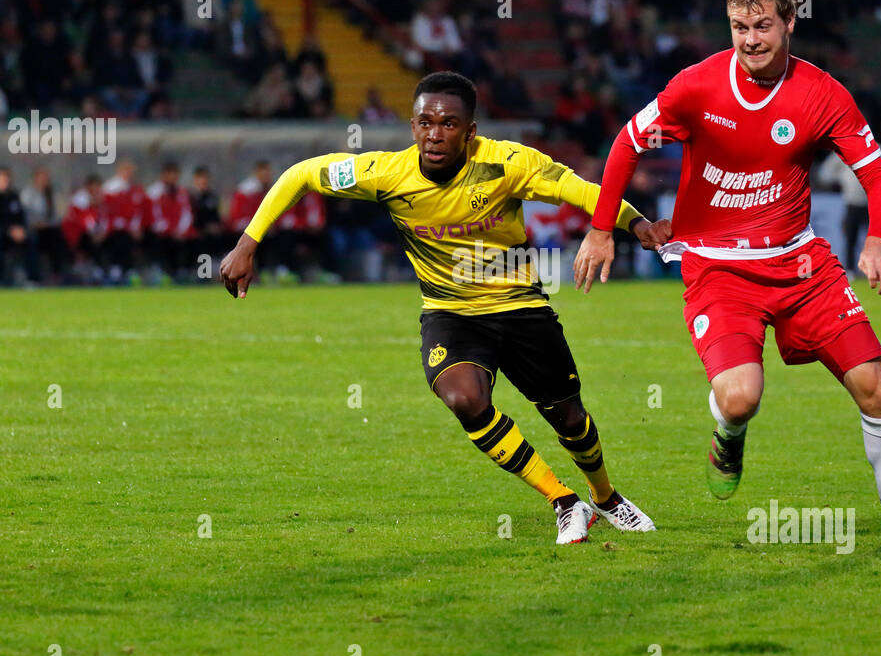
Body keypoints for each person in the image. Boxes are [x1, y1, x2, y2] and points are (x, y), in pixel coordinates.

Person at [574, 0, 881, 553]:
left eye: (762, 26)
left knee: (877, 390)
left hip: (802, 265)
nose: (750, 40)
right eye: (739, 27)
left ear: (789, 22)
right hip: (719, 267)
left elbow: (879, 178)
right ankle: (728, 433)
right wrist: (603, 230)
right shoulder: (696, 87)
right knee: (741, 398)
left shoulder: (822, 94)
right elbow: (626, 143)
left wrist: (877, 240)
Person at [221, 71, 658, 544]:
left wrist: (636, 224)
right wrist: (248, 242)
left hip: (519, 306)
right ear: (412, 126)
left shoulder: (508, 164)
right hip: (450, 313)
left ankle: (605, 496)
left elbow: (584, 191)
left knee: (569, 417)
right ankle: (564, 501)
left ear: (470, 132)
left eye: (449, 123)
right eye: (425, 122)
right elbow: (302, 175)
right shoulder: (387, 174)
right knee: (464, 399)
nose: (435, 133)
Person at [816, 145, 881, 273]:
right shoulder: (842, 151)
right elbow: (825, 174)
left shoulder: (878, 150)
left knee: (877, 240)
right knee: (851, 239)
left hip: (873, 204)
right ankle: (850, 270)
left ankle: (879, 269)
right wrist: (841, 178)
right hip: (853, 202)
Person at [0, 166, 39, 285]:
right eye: (2, 179)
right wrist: (9, 230)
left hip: (10, 234)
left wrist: (20, 230)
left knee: (31, 238)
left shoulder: (13, 196)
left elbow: (20, 216)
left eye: (7, 179)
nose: (5, 181)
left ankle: (32, 280)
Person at [20, 167, 66, 282]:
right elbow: (24, 214)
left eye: (46, 179)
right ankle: (33, 278)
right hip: (32, 230)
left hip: (48, 230)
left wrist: (47, 224)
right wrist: (35, 223)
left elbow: (56, 217)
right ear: (35, 179)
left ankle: (57, 275)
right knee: (31, 242)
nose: (44, 181)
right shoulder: (27, 194)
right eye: (41, 179)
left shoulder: (51, 195)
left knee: (59, 239)